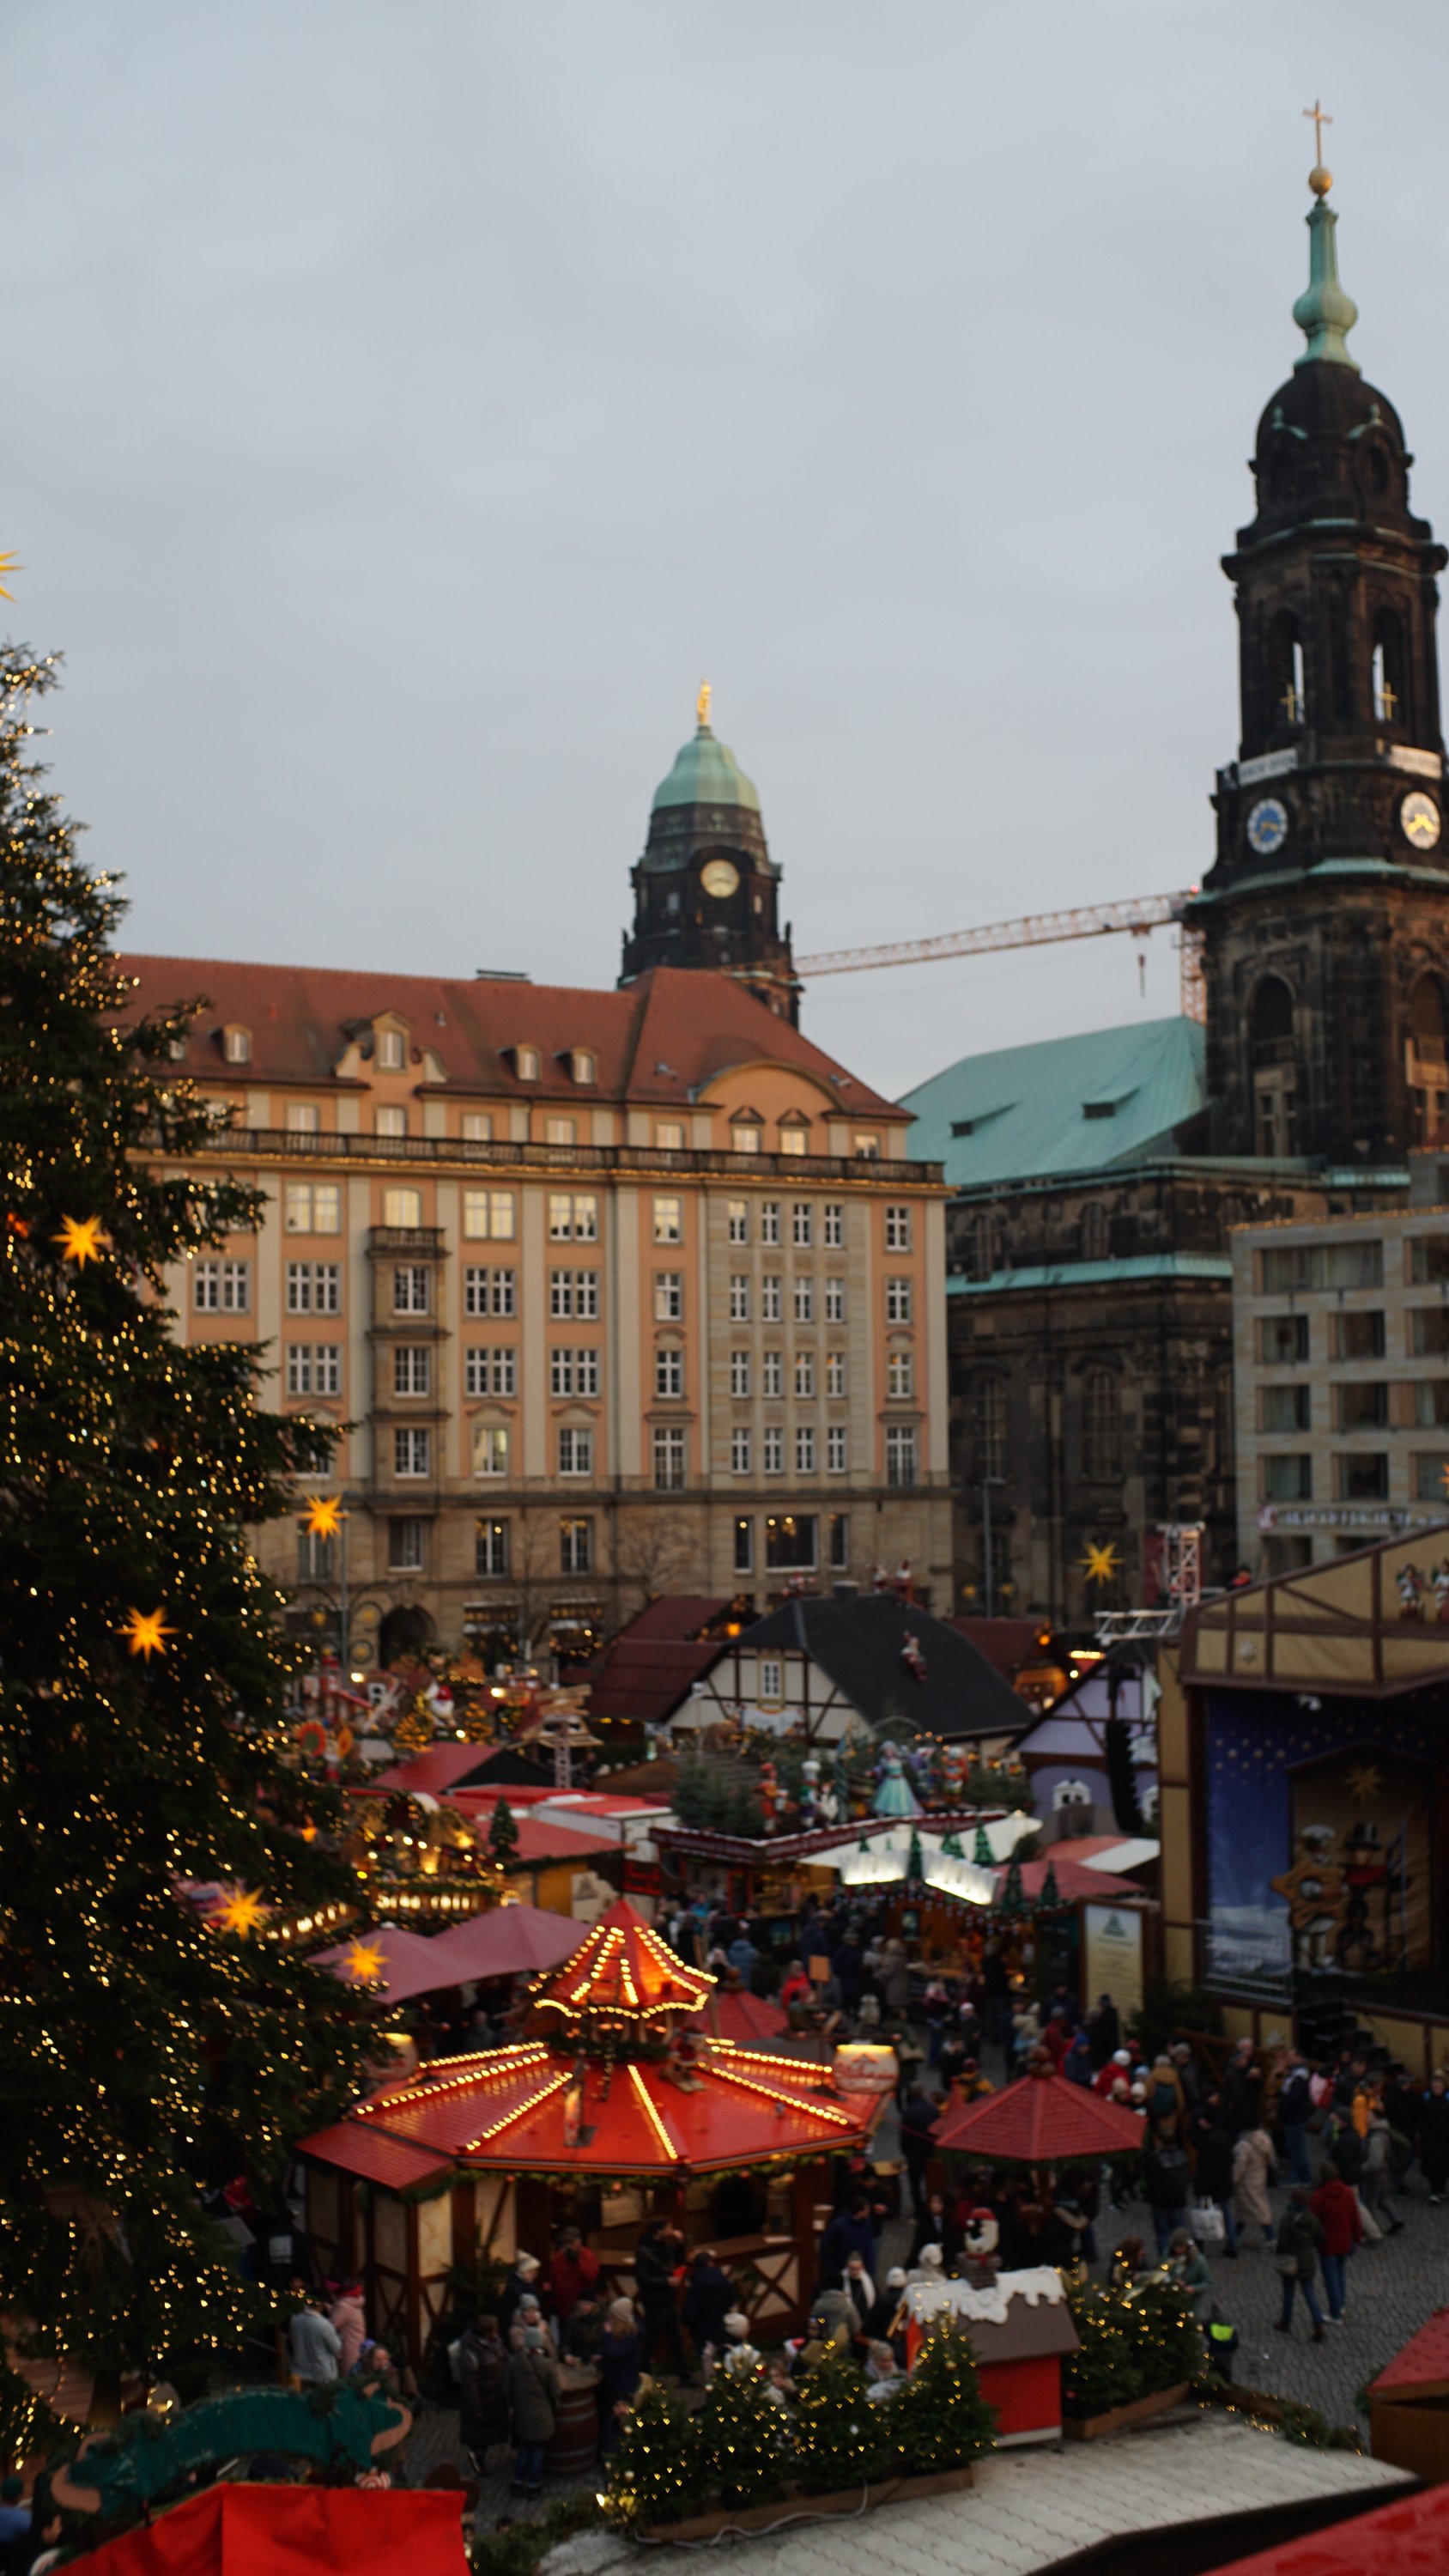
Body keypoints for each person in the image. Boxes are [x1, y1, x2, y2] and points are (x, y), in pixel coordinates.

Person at [506, 2324, 559, 2500]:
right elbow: (555, 2391)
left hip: (522, 2415)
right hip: (542, 2416)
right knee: (537, 2450)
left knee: (524, 2449)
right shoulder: (547, 2365)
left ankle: (517, 2482)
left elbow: (507, 2390)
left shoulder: (514, 2363)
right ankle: (533, 2485)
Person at [634, 2218, 688, 2378]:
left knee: (677, 2339)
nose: (672, 2230)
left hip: (669, 2298)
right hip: (655, 2301)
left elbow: (678, 2260)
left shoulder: (666, 2245)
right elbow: (642, 2279)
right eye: (668, 2228)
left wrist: (680, 2243)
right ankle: (644, 2375)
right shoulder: (644, 2251)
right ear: (658, 2231)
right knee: (652, 2340)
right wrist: (665, 2281)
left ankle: (685, 2375)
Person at [1310, 2166, 1361, 2322]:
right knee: (1340, 2274)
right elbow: (1355, 2218)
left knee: (1331, 2278)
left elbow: (1313, 2222)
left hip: (1327, 2244)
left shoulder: (1318, 2197)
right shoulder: (1347, 2193)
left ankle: (1335, 2313)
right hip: (1345, 2241)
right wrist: (1357, 2239)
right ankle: (1341, 2306)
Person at [1273, 2187, 1325, 2341]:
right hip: (1308, 2260)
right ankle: (1318, 2324)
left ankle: (1285, 2322)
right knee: (1310, 2293)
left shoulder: (1287, 2219)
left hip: (1291, 2261)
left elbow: (1283, 2242)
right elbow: (1321, 2238)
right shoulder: (1313, 2219)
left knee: (1289, 2294)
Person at [456, 2314, 508, 2468]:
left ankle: (480, 2457)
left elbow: (504, 2358)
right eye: (494, 2330)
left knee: (488, 2434)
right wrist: (475, 2406)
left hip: (495, 2397)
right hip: (482, 2399)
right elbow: (470, 2384)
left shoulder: (496, 2344)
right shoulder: (470, 2353)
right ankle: (476, 2460)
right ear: (487, 2332)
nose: (497, 2333)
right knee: (478, 2436)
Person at [1190, 2095, 1239, 2257]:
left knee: (1202, 2214)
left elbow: (1207, 2169)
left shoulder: (1209, 2142)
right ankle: (1232, 2244)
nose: (1199, 2122)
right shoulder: (1224, 2136)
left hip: (1212, 2185)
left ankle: (1200, 2246)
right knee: (1226, 2212)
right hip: (1224, 2182)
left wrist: (1202, 2189)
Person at [597, 2299, 643, 2451]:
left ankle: (617, 2456)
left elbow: (616, 2354)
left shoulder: (630, 2335)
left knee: (618, 2422)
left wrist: (607, 2336)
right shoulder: (624, 2334)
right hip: (615, 2382)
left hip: (622, 2386)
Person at [682, 2248, 733, 2362]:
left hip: (700, 2329)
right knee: (726, 2357)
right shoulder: (724, 2282)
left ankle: (712, 2379)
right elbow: (730, 2300)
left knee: (707, 2360)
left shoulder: (694, 2288)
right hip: (721, 2324)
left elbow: (689, 2312)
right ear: (711, 2263)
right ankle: (729, 2378)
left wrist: (687, 2323)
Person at [1144, 2137, 1192, 2258]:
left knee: (1162, 2233)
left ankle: (1165, 2260)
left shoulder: (1155, 2158)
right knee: (1180, 2232)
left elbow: (1148, 2176)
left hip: (1161, 2202)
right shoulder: (1183, 2156)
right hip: (1179, 2200)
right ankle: (1182, 2257)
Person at [1231, 2123, 1277, 2250]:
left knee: (1245, 2210)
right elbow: (1271, 2160)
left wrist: (1233, 2180)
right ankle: (1236, 2235)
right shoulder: (1265, 2140)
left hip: (1246, 2183)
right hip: (1259, 2179)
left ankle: (1235, 2236)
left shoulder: (1243, 2146)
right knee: (1259, 2210)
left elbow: (1239, 2167)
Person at [545, 2227, 600, 2325]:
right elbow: (551, 2279)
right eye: (566, 2243)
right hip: (563, 2308)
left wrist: (577, 2262)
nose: (568, 2246)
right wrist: (549, 2296)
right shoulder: (559, 2258)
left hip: (581, 2309)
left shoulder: (588, 2255)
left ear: (579, 2242)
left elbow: (591, 2276)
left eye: (571, 2242)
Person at [899, 2086, 939, 2220]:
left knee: (915, 2183)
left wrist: (905, 2151)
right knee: (932, 2179)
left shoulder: (908, 2113)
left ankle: (919, 2208)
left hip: (914, 2154)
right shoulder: (933, 2110)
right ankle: (934, 2204)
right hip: (931, 2151)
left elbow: (905, 2136)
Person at [819, 2193, 876, 2287]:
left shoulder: (867, 2224)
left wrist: (870, 2268)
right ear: (859, 2211)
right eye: (866, 2210)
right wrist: (832, 2269)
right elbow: (824, 2246)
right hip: (842, 2271)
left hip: (862, 2271)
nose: (869, 2212)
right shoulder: (838, 2225)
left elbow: (870, 2246)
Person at [1276, 2050, 1313, 2188]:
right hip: (1293, 2116)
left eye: (1291, 2057)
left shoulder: (1299, 2077)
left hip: (1295, 2116)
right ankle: (1299, 2176)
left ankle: (1301, 2177)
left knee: (1296, 2148)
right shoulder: (1296, 2074)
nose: (1289, 2060)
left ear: (1299, 2057)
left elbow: (1294, 2098)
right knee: (1295, 2146)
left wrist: (1284, 2105)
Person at [288, 2293, 341, 2385]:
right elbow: (336, 2348)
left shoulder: (295, 2321)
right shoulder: (324, 2324)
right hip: (321, 2373)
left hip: (300, 2371)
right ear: (322, 2304)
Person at [1165, 2229, 1211, 2316]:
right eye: (1176, 2247)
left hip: (1190, 2303)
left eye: (1181, 2247)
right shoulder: (1168, 2254)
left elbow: (1207, 2282)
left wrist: (1193, 2288)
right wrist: (1171, 2280)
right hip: (1170, 2298)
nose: (1178, 2250)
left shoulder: (1199, 2261)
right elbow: (1162, 2271)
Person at [499, 2250, 542, 2341]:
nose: (535, 2274)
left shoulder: (527, 2285)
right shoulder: (514, 2287)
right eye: (532, 2271)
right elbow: (525, 2304)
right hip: (515, 2329)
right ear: (525, 2271)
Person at [1420, 2073, 1449, 2202]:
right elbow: (1421, 2119)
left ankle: (1441, 2189)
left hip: (1445, 2138)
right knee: (1433, 2165)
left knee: (1444, 2164)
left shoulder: (1447, 2101)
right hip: (1430, 2138)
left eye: (1439, 2087)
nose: (1436, 2089)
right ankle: (1434, 2190)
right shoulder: (1426, 2101)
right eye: (1434, 2087)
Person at [329, 2280, 367, 2378]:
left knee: (347, 2376)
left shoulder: (343, 2306)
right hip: (357, 2344)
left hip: (348, 2346)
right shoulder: (355, 2302)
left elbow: (331, 2325)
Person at [840, 2251, 876, 2342]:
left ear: (862, 2268)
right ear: (847, 2267)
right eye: (852, 2269)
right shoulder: (841, 2280)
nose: (854, 2272)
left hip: (863, 2319)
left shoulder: (868, 2282)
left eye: (857, 2269)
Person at [1204, 2306, 1240, 2384]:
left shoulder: (1211, 2327)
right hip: (1227, 2355)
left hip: (1214, 2353)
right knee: (1226, 2374)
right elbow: (1236, 2343)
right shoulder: (1230, 2330)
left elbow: (1205, 2326)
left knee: (1212, 2373)